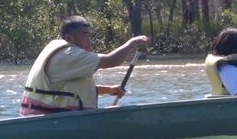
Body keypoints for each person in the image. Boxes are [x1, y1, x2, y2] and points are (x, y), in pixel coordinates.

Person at [20, 16, 149, 116]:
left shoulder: (57, 48)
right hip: (50, 121)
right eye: (84, 35)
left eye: (89, 35)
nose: (89, 40)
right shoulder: (69, 54)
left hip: (46, 117)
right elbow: (112, 61)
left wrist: (109, 90)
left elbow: (70, 90)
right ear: (69, 38)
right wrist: (132, 42)